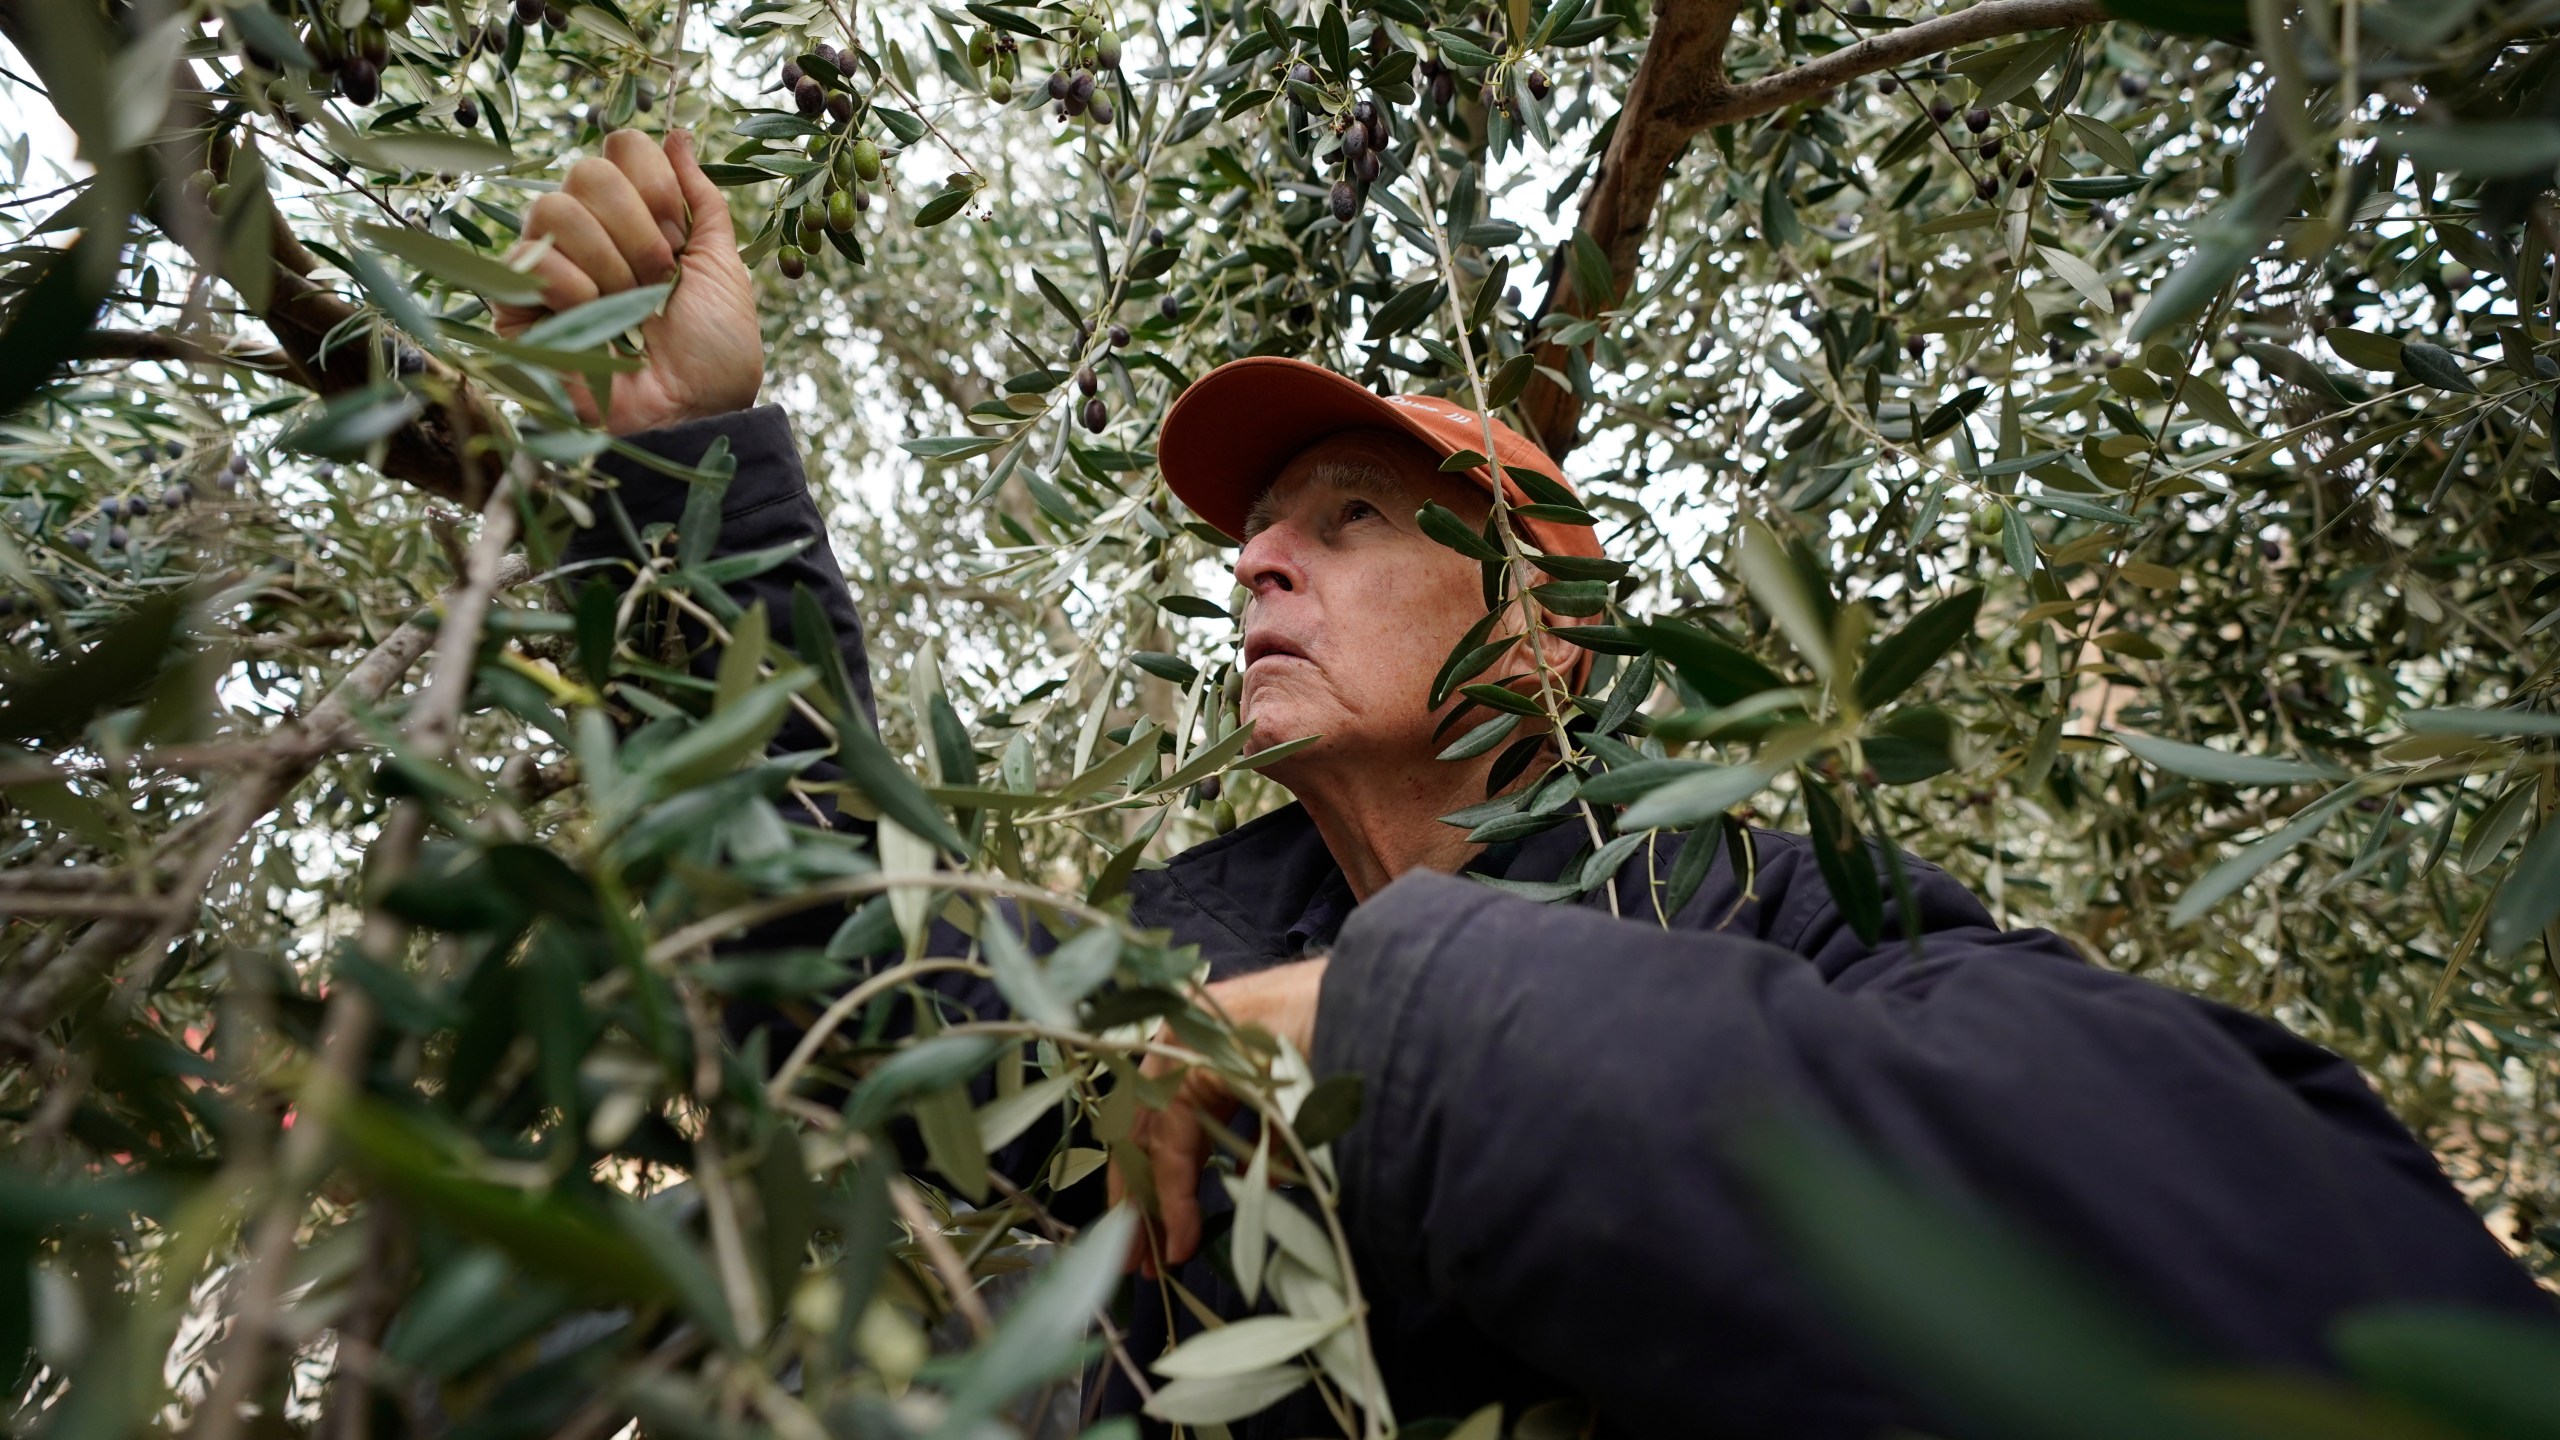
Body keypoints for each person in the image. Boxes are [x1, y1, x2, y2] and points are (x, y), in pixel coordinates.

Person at [528, 131, 2552, 1438]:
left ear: (1544, 625)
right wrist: (678, 466)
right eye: (1253, 538)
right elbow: (833, 978)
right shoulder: (1164, 964)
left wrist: (1396, 1024)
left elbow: (2311, 1272)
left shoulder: (1788, 915)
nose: (1257, 563)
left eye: (1343, 518)